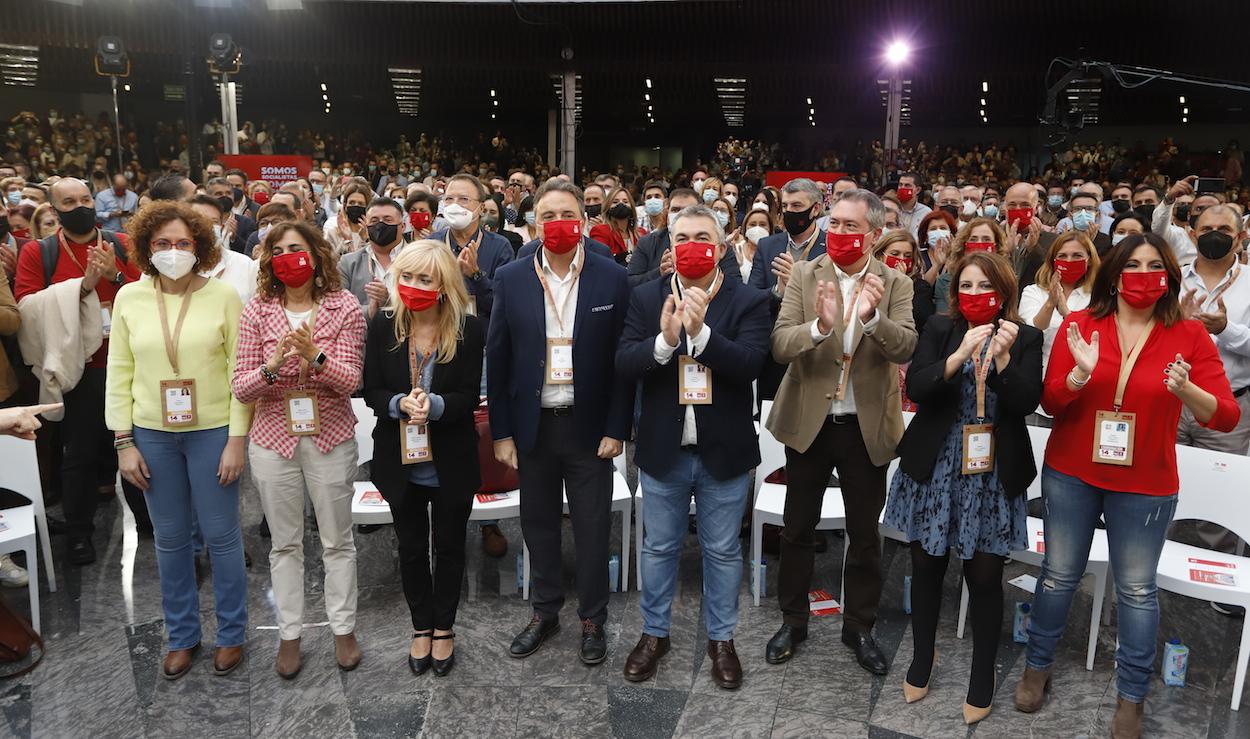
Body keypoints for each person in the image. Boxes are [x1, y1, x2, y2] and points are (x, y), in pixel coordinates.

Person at [1015, 232, 1239, 738]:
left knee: (1137, 590)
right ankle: (1037, 664)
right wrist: (1080, 376)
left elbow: (1226, 415)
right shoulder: (1081, 324)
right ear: (1114, 276)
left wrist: (1188, 391)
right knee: (1057, 575)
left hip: (1146, 483)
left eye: (1154, 265)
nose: (1143, 274)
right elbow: (1051, 402)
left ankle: (1131, 697)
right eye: (1132, 265)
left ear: (1168, 277)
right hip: (1072, 471)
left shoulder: (1189, 336)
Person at [763, 189, 918, 675]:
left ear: (874, 234)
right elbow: (780, 345)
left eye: (852, 226)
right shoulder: (806, 275)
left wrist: (871, 319)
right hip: (810, 420)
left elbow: (906, 345)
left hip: (865, 426)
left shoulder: (895, 282)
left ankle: (860, 627)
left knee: (865, 534)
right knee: (797, 528)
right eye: (835, 223)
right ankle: (793, 620)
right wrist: (819, 327)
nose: (841, 234)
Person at [616, 204, 770, 690]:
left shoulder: (748, 301)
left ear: (722, 248)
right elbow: (624, 362)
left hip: (722, 450)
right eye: (680, 237)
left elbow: (749, 365)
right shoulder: (645, 297)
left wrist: (700, 333)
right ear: (669, 246)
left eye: (702, 236)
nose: (691, 245)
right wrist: (663, 342)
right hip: (665, 448)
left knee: (723, 551)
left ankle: (721, 640)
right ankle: (654, 633)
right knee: (659, 546)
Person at [886, 251, 1042, 724]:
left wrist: (1004, 360)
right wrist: (955, 358)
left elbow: (1025, 402)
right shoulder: (939, 328)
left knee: (984, 575)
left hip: (992, 471)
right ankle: (923, 654)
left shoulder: (1026, 336)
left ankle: (982, 672)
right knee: (927, 564)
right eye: (967, 286)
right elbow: (918, 387)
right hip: (937, 464)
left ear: (1004, 292)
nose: (976, 295)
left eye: (985, 287)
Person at [487, 179, 632, 666]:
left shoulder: (612, 278)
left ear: (584, 220)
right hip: (534, 425)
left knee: (592, 528)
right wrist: (503, 432)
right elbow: (499, 358)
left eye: (566, 214)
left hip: (590, 428)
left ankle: (593, 618)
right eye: (547, 215)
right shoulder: (511, 277)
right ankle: (545, 610)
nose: (556, 223)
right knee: (539, 524)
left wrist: (618, 427)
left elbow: (621, 360)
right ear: (534, 222)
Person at [105, 200, 251, 680]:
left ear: (200, 247)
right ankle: (182, 635)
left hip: (211, 431)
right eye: (163, 244)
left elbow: (239, 374)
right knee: (169, 540)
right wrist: (123, 443)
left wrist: (236, 440)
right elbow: (120, 371)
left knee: (222, 536)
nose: (173, 251)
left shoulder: (223, 296)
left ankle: (231, 634)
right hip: (151, 433)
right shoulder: (130, 297)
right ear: (148, 248)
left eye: (183, 244)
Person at [232, 220, 365, 678]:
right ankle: (290, 634)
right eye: (280, 250)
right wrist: (272, 368)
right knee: (284, 545)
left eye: (297, 248)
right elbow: (242, 389)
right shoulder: (257, 311)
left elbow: (353, 380)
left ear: (316, 254)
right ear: (269, 261)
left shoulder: (344, 306)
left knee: (337, 540)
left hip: (330, 437)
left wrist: (315, 357)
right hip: (273, 440)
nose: (289, 256)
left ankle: (343, 627)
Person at [363, 240, 483, 677]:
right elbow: (370, 388)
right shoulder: (385, 326)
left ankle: (445, 627)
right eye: (406, 277)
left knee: (449, 547)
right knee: (411, 548)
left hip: (451, 458)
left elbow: (469, 396)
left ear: (444, 285)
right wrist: (398, 403)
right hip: (400, 461)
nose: (413, 286)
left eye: (424, 279)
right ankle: (420, 626)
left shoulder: (468, 331)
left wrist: (435, 406)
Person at [14, 178, 146, 565]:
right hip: (79, 367)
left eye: (86, 199)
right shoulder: (41, 253)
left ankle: (149, 518)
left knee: (138, 444)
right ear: (54, 211)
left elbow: (150, 293)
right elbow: (27, 307)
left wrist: (114, 277)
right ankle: (78, 531)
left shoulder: (121, 244)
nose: (81, 206)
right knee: (81, 453)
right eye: (69, 202)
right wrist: (82, 287)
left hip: (128, 360)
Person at [1174, 205, 1250, 616]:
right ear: (1192, 233)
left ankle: (1223, 580)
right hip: (1172, 398)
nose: (1215, 235)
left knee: (1222, 495)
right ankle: (1150, 561)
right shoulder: (1172, 276)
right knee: (1159, 479)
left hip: (1229, 403)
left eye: (1225, 229)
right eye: (1207, 229)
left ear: (1240, 237)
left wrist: (1225, 330)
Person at [429, 174, 514, 325]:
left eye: (464, 199)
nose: (455, 205)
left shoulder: (500, 247)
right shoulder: (432, 244)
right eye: (449, 199)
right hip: (439, 332)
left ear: (481, 208)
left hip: (483, 339)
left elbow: (504, 304)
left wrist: (476, 276)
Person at [1018, 231, 1099, 373]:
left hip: (1083, 376)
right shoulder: (1033, 292)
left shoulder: (1099, 296)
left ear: (1090, 260)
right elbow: (1030, 333)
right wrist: (1050, 303)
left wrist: (1066, 314)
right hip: (1040, 375)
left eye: (1077, 256)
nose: (1069, 261)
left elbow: (1095, 339)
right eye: (1062, 256)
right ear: (1053, 260)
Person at [749, 178, 828, 300]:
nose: (789, 211)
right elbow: (752, 297)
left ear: (816, 209)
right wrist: (777, 291)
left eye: (796, 206)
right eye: (785, 206)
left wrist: (797, 283)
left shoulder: (830, 247)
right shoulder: (766, 246)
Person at [339, 198, 407, 319]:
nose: (380, 225)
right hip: (361, 335)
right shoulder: (348, 263)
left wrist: (390, 302)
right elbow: (338, 307)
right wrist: (369, 311)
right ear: (366, 226)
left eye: (387, 220)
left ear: (402, 226)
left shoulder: (419, 260)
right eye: (374, 220)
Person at [186, 195, 259, 303]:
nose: (207, 226)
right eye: (199, 221)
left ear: (222, 226)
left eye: (214, 221)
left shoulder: (245, 265)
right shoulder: (179, 264)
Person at [628, 188, 699, 286]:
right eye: (675, 210)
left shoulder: (715, 244)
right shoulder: (647, 243)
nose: (681, 215)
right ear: (667, 212)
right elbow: (631, 282)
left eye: (688, 210)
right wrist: (659, 273)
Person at [873, 230, 935, 333]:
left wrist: (901, 283)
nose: (901, 259)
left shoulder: (921, 288)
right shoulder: (869, 280)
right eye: (895, 254)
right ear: (881, 255)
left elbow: (917, 322)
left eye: (907, 256)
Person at [1155, 175, 1221, 267]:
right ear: (1189, 215)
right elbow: (1158, 228)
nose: (1205, 213)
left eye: (1211, 208)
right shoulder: (1177, 235)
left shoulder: (1227, 237)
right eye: (1199, 208)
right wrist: (1169, 198)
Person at [589, 186, 642, 266]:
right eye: (615, 202)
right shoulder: (600, 231)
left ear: (632, 206)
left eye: (625, 201)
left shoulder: (641, 233)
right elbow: (599, 262)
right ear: (608, 207)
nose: (621, 204)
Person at [324, 182, 372, 256]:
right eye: (352, 203)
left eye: (361, 204)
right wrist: (347, 241)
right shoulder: (333, 233)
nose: (356, 206)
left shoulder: (372, 234)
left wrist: (366, 240)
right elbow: (331, 262)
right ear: (345, 205)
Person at [732, 208, 774, 285]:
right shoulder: (736, 250)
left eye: (762, 225)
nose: (757, 228)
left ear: (770, 229)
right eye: (752, 224)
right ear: (745, 228)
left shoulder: (776, 253)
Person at [895, 172, 932, 238]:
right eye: (900, 185)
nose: (902, 188)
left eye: (907, 185)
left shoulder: (926, 212)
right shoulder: (892, 208)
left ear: (918, 190)